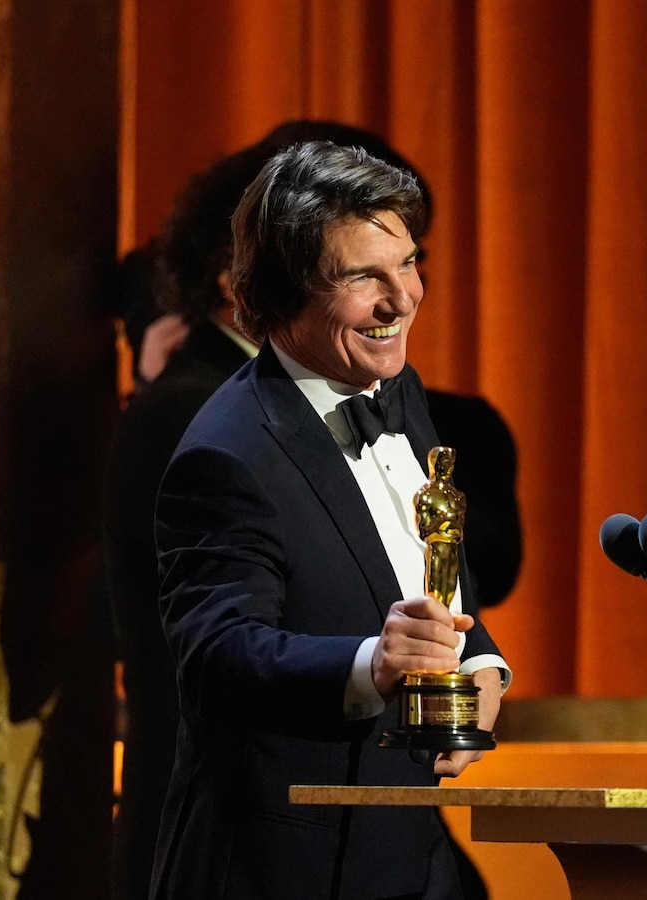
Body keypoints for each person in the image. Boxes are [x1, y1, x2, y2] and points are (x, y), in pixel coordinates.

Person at [103, 122, 519, 900]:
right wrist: (374, 664)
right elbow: (214, 656)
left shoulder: (395, 385)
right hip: (277, 868)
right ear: (282, 290)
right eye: (365, 277)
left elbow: (430, 571)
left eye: (409, 263)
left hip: (405, 855)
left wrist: (478, 664)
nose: (403, 299)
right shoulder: (225, 450)